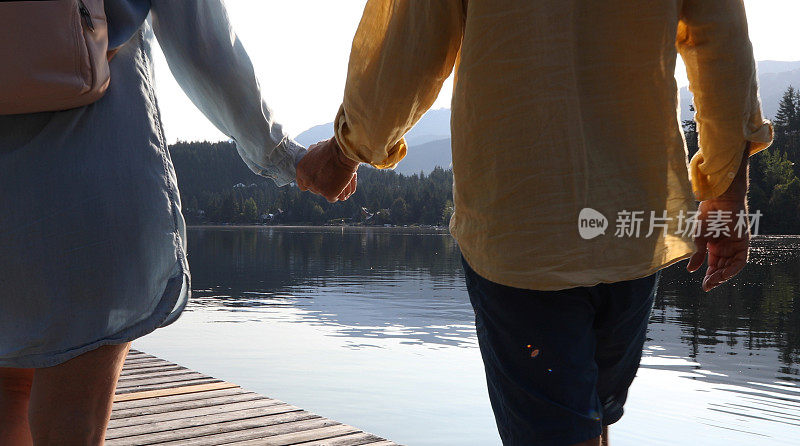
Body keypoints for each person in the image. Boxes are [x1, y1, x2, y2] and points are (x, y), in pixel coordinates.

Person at [297, 1, 772, 445]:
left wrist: (346, 149)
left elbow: (407, 43)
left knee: (567, 426)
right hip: (632, 220)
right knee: (591, 418)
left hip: (523, 223)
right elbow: (721, 36)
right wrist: (728, 190)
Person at [0, 1, 355, 444]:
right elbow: (204, 41)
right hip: (87, 183)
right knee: (71, 414)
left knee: (9, 390)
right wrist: (285, 156)